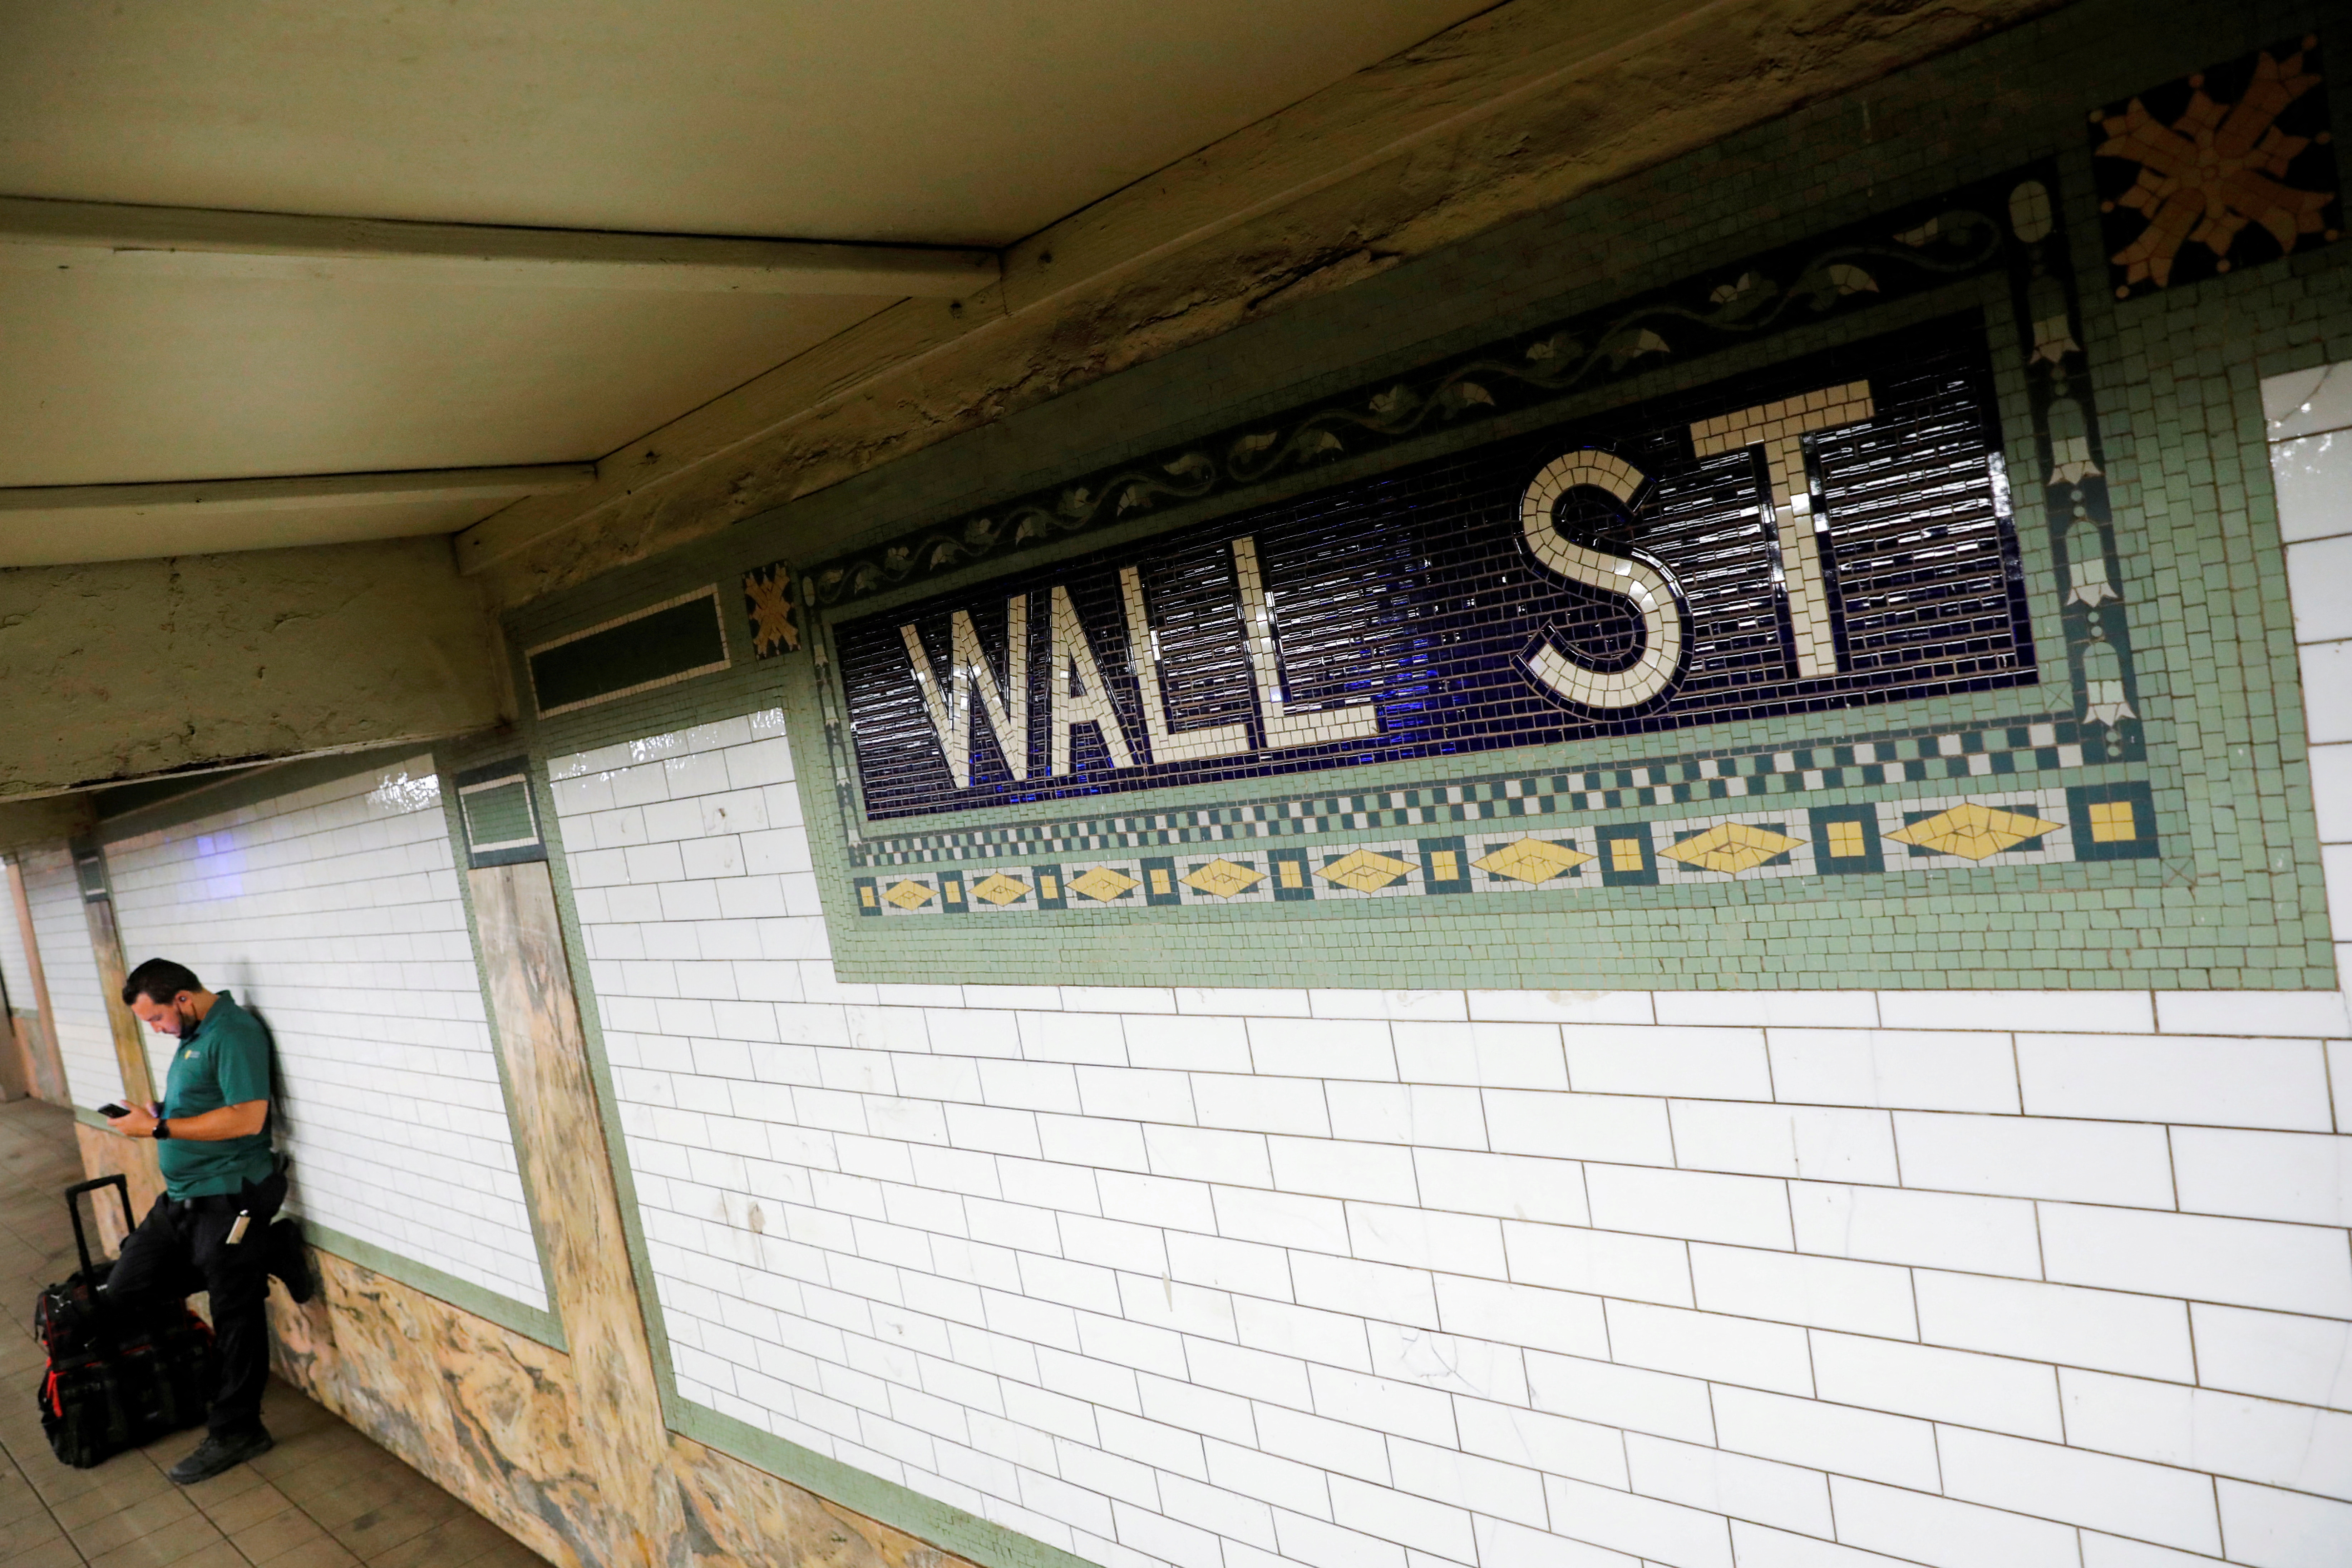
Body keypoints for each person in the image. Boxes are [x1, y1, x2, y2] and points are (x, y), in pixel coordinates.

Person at [102, 958, 314, 1484]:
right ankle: (264, 1251)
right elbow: (208, 1100)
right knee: (128, 1284)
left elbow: (247, 1117)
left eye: (156, 1019)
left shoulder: (234, 1032)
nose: (156, 1030)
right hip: (182, 1199)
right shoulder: (195, 1032)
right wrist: (161, 1112)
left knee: (234, 1310)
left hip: (229, 1195)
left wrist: (159, 1129)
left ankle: (239, 1429)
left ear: (182, 999)